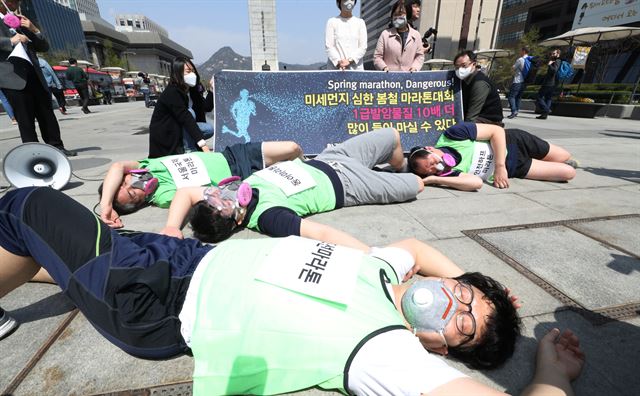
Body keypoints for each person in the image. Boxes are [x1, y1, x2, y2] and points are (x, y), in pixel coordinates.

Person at [0, 187, 585, 395]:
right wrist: (489, 293)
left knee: (26, 207)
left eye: (464, 326)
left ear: (440, 349)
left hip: (156, 299)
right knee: (39, 244)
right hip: (184, 256)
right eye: (460, 295)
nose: (454, 306)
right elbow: (416, 244)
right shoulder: (381, 270)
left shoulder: (387, 347)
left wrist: (549, 374)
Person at [163, 127, 424, 250]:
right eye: (224, 203)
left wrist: (172, 227)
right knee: (418, 184)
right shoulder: (268, 216)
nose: (223, 193)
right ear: (237, 220)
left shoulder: (219, 197)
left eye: (214, 195)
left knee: (392, 136)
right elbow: (321, 232)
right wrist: (371, 256)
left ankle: (398, 168)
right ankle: (402, 176)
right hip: (351, 184)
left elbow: (185, 192)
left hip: (329, 157)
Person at [98, 140, 303, 227]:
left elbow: (116, 166)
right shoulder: (162, 196)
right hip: (241, 176)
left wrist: (105, 206)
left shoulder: (146, 165)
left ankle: (310, 164)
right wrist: (172, 227)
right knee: (293, 170)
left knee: (292, 148)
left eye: (126, 182)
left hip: (234, 154)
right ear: (141, 201)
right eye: (133, 193)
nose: (134, 184)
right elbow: (186, 196)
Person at [0, 0, 76, 156]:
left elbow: (44, 47)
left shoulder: (19, 20)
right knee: (25, 118)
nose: (15, 4)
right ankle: (33, 152)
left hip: (34, 74)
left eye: (17, 1)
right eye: (11, 1)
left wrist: (34, 29)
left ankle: (56, 146)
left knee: (46, 113)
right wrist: (9, 41)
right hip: (12, 77)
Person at [407, 122, 577, 191]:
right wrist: (434, 180)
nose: (435, 167)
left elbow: (497, 131)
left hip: (514, 142)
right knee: (568, 173)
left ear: (429, 149)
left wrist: (500, 167)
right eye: (429, 171)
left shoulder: (453, 135)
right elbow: (476, 183)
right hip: (516, 167)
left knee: (564, 156)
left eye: (431, 162)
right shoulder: (446, 173)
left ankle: (550, 156)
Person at [149, 57, 213, 158]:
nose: (192, 74)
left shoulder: (192, 91)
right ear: (178, 73)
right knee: (190, 113)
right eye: (188, 71)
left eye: (193, 71)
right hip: (168, 134)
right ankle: (189, 151)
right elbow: (185, 118)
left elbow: (207, 107)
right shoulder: (172, 92)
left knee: (209, 129)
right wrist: (203, 145)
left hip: (181, 129)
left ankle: (190, 146)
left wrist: (211, 90)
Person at [453, 50, 504, 126]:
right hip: (474, 118)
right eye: (457, 67)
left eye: (464, 66)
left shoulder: (479, 83)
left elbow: (472, 116)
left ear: (473, 64)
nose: (460, 70)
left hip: (489, 122)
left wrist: (463, 130)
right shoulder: (463, 81)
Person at [373, 0, 424, 72]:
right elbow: (377, 57)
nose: (398, 17)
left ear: (408, 15)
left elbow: (420, 56)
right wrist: (383, 67)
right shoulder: (385, 34)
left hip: (409, 78)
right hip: (389, 79)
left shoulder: (416, 35)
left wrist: (415, 67)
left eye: (401, 14)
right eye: (395, 15)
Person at [325, 0, 367, 71]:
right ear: (339, 2)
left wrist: (350, 61)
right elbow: (329, 46)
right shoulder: (332, 22)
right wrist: (339, 62)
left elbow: (363, 47)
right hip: (336, 69)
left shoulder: (360, 22)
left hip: (356, 69)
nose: (349, 1)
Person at [536, 48, 562, 120]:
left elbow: (554, 70)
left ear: (558, 54)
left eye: (554, 53)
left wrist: (549, 65)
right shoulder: (554, 61)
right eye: (552, 53)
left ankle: (546, 109)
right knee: (548, 98)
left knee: (539, 97)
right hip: (552, 83)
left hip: (549, 83)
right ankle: (544, 115)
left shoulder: (557, 61)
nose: (552, 55)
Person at [507, 47, 529, 119]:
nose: (520, 52)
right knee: (518, 97)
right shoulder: (530, 60)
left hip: (518, 80)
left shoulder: (520, 59)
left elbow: (513, 68)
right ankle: (516, 111)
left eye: (521, 51)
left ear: (523, 51)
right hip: (525, 82)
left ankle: (514, 111)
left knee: (511, 96)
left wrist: (512, 68)